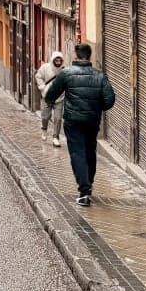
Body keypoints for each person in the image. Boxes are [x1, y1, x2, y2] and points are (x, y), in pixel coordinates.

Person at [44, 43, 115, 207]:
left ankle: (84, 191)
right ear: (89, 57)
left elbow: (50, 95)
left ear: (76, 56)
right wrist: (96, 108)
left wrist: (50, 102)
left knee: (77, 153)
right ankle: (88, 185)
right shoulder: (100, 76)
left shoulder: (66, 74)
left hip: (73, 121)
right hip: (92, 120)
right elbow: (109, 100)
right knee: (90, 152)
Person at [35, 51, 66, 146]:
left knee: (58, 118)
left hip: (59, 98)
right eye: (56, 59)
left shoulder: (64, 70)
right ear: (53, 60)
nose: (58, 61)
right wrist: (42, 87)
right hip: (47, 96)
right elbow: (38, 76)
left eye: (60, 59)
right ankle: (44, 129)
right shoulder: (45, 67)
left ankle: (56, 137)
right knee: (45, 116)